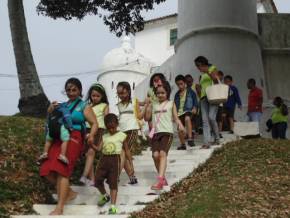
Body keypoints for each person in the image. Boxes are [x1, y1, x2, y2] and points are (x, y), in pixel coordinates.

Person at [39, 78, 98, 215]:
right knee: (45, 169)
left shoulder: (84, 106)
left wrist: (92, 135)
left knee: (62, 169)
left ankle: (60, 207)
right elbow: (52, 120)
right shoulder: (62, 105)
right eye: (68, 90)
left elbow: (94, 123)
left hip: (75, 138)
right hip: (59, 137)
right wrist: (50, 110)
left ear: (80, 91)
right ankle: (69, 192)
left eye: (74, 90)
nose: (71, 93)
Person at [144, 81, 185, 190]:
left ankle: (160, 180)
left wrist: (180, 125)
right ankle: (162, 177)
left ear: (167, 93)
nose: (160, 95)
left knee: (162, 154)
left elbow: (176, 117)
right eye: (158, 93)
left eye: (163, 93)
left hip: (167, 132)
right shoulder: (153, 104)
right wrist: (147, 106)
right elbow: (146, 118)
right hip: (155, 133)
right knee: (155, 156)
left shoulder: (171, 103)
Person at [95, 113, 129, 215]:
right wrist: (91, 144)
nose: (111, 130)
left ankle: (113, 206)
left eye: (113, 127)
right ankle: (105, 196)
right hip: (104, 160)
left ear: (117, 124)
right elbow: (98, 149)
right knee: (97, 180)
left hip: (115, 160)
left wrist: (130, 165)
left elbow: (127, 150)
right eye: (108, 128)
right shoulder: (104, 136)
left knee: (113, 183)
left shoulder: (122, 135)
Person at [80, 83, 109, 186]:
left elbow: (107, 119)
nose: (95, 98)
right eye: (93, 96)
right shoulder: (87, 106)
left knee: (91, 152)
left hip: (99, 130)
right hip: (87, 130)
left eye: (98, 96)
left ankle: (84, 175)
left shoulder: (104, 106)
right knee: (88, 154)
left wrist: (107, 133)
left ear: (102, 96)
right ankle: (92, 180)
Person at [116, 82, 143, 185]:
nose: (121, 95)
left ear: (128, 91)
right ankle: (132, 177)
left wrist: (146, 106)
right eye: (119, 93)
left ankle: (117, 175)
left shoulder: (134, 102)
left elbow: (140, 115)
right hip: (121, 131)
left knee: (123, 152)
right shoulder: (118, 105)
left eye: (123, 92)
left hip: (132, 129)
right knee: (122, 153)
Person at [194, 56, 220, 149]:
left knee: (211, 117)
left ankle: (217, 138)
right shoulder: (201, 76)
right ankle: (206, 142)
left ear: (202, 63)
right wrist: (198, 89)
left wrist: (208, 71)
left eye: (198, 65)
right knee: (205, 121)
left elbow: (216, 81)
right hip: (203, 98)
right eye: (196, 66)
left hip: (213, 96)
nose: (198, 68)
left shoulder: (212, 68)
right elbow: (201, 92)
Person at [174, 75, 198, 150]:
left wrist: (195, 107)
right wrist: (173, 115)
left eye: (181, 84)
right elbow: (174, 105)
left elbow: (195, 101)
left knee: (187, 119)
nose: (180, 86)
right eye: (178, 84)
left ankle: (190, 139)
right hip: (179, 113)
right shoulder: (177, 94)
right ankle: (183, 144)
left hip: (188, 110)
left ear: (185, 83)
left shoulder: (191, 92)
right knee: (179, 128)